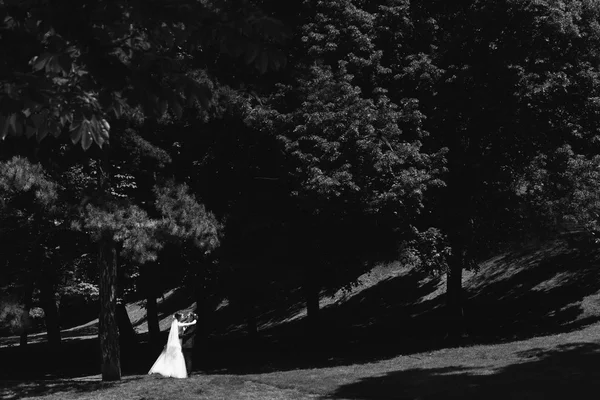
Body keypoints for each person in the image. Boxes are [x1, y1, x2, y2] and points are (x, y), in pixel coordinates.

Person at [148, 312, 196, 379]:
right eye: (182, 316)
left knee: (175, 356)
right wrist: (194, 321)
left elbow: (184, 325)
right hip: (177, 342)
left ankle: (173, 370)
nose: (183, 316)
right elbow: (188, 324)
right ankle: (178, 372)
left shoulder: (177, 323)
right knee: (178, 355)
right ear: (179, 317)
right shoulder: (179, 324)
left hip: (177, 341)